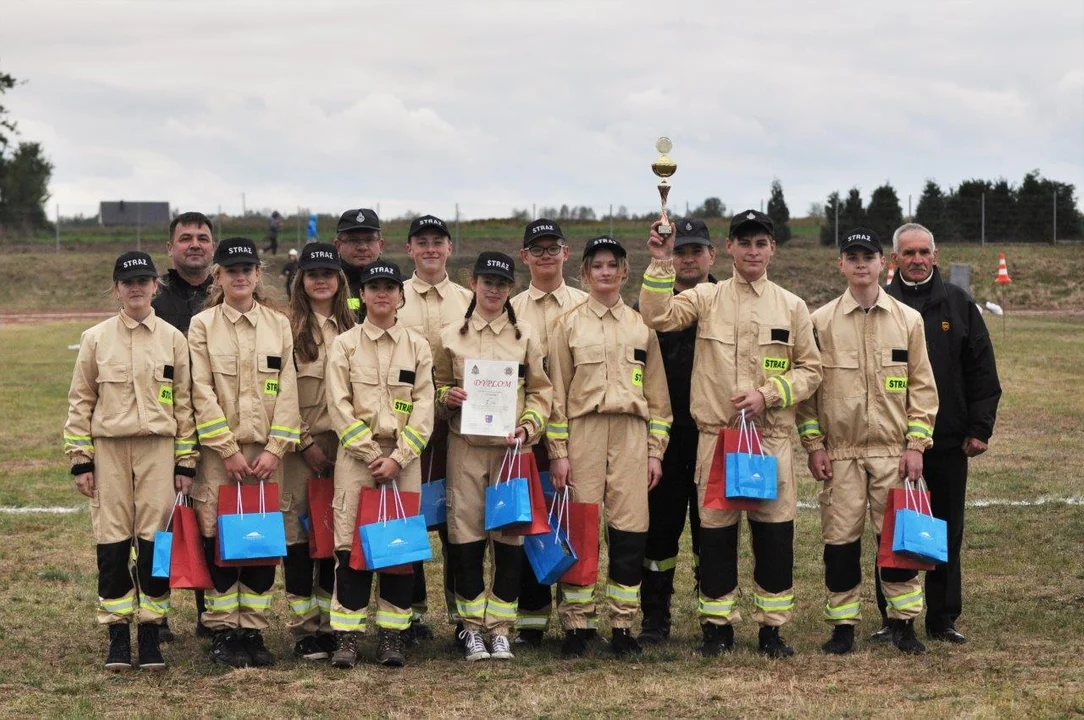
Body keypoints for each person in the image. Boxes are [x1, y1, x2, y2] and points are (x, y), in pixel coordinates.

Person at [639, 210, 821, 658]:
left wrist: (772, 393)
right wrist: (661, 260)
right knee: (717, 538)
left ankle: (771, 630)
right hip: (716, 439)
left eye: (761, 243)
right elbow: (658, 315)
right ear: (731, 249)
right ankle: (716, 629)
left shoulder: (792, 306)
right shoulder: (707, 296)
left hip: (769, 438)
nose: (753, 251)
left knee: (774, 537)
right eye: (745, 243)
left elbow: (811, 369)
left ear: (772, 249)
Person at [796, 228, 938, 656]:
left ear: (883, 264)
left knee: (898, 541)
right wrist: (814, 445)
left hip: (893, 454)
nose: (861, 264)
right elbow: (808, 395)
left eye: (869, 257)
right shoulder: (818, 322)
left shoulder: (908, 320)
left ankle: (903, 623)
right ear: (840, 264)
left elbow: (923, 388)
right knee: (840, 542)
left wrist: (916, 445)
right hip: (841, 454)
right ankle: (842, 625)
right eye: (852, 256)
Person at [63, 251, 199, 670]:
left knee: (156, 542)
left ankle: (152, 629)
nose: (136, 287)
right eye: (128, 282)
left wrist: (186, 461)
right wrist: (81, 459)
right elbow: (81, 400)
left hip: (159, 450)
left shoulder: (174, 339)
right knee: (112, 542)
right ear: (117, 289)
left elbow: (184, 403)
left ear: (156, 286)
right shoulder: (96, 339)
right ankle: (118, 633)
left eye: (144, 280)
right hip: (109, 452)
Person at [874, 222, 1001, 644]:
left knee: (945, 527)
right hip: (891, 440)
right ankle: (894, 616)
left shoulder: (959, 304)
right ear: (894, 260)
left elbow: (981, 370)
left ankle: (943, 617)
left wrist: (979, 427)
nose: (916, 260)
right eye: (907, 253)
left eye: (923, 252)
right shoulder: (880, 303)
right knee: (892, 527)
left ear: (936, 255)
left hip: (946, 440)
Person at [548, 236, 672, 659]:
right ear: (583, 273)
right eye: (596, 265)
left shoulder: (642, 327)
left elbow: (658, 399)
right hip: (584, 430)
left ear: (624, 273)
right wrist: (558, 452)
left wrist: (656, 451)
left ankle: (622, 623)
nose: (605, 272)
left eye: (612, 265)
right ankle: (577, 625)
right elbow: (556, 395)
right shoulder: (566, 324)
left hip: (631, 435)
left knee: (629, 530)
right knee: (580, 527)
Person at [187, 237, 301, 668]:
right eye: (230, 270)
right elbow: (199, 390)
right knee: (218, 537)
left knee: (260, 540)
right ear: (218, 276)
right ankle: (222, 632)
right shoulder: (202, 326)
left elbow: (288, 388)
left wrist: (275, 448)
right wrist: (228, 449)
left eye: (246, 269)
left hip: (270, 456)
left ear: (258, 275)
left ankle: (251, 630)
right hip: (222, 455)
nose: (239, 276)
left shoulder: (279, 324)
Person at [434, 251, 552, 662]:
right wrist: (446, 398)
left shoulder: (526, 337)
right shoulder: (451, 335)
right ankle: (470, 630)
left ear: (511, 289)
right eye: (487, 281)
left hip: (509, 453)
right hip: (465, 449)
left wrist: (529, 426)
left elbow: (541, 391)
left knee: (509, 539)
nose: (494, 289)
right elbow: (438, 385)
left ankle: (500, 628)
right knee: (464, 540)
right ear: (474, 283)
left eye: (502, 283)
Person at [324, 260, 435, 668]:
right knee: (349, 547)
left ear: (401, 296)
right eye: (374, 287)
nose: (382, 293)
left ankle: (392, 638)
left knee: (397, 550)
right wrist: (374, 457)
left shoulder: (418, 346)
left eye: (390, 287)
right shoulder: (345, 344)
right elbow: (338, 407)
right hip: (358, 461)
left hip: (403, 460)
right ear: (362, 296)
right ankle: (347, 638)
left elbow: (424, 407)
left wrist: (399, 457)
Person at [636, 218, 717, 644]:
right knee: (660, 532)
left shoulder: (726, 301)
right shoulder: (651, 303)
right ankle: (655, 618)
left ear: (711, 256)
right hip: (664, 437)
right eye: (680, 251)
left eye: (695, 251)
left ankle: (713, 619)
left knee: (712, 531)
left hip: (711, 434)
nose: (688, 259)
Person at [509, 219, 589, 645]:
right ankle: (532, 619)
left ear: (566, 252)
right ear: (524, 256)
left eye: (552, 247)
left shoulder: (586, 303)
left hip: (579, 429)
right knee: (531, 520)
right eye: (536, 249)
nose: (545, 255)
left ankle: (578, 620)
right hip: (527, 434)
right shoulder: (510, 307)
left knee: (573, 519)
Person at [399, 214, 473, 643]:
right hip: (407, 427)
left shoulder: (468, 300)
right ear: (409, 249)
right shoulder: (393, 296)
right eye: (421, 241)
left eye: (437, 241)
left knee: (456, 523)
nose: (430, 248)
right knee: (410, 519)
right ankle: (409, 613)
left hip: (455, 427)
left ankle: (462, 615)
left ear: (449, 248)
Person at [281, 243, 355, 661]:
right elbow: (281, 395)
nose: (321, 280)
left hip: (344, 447)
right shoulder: (286, 329)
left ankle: (330, 623)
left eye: (329, 273)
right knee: (296, 537)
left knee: (332, 535)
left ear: (340, 280)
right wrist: (304, 442)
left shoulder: (354, 327)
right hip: (298, 448)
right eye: (313, 274)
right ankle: (303, 628)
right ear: (301, 281)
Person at [153, 211, 215, 335]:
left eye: (203, 239)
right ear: (170, 248)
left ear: (213, 248)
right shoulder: (151, 295)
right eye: (186, 239)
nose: (195, 245)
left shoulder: (228, 294)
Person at [334, 208, 385, 315]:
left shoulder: (399, 285)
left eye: (369, 240)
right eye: (353, 240)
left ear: (381, 245)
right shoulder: (328, 287)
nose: (362, 247)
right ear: (338, 246)